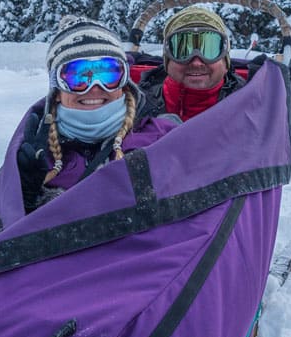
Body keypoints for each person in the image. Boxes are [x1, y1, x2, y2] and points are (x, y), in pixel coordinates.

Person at [17, 15, 177, 212]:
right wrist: (23, 199)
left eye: (107, 73)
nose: (94, 87)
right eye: (78, 76)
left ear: (124, 83)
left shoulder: (163, 137)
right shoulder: (35, 152)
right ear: (57, 90)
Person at [137, 5, 247, 121]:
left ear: (225, 61)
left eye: (209, 50)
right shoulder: (136, 107)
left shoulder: (252, 105)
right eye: (183, 51)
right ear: (167, 61)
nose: (196, 62)